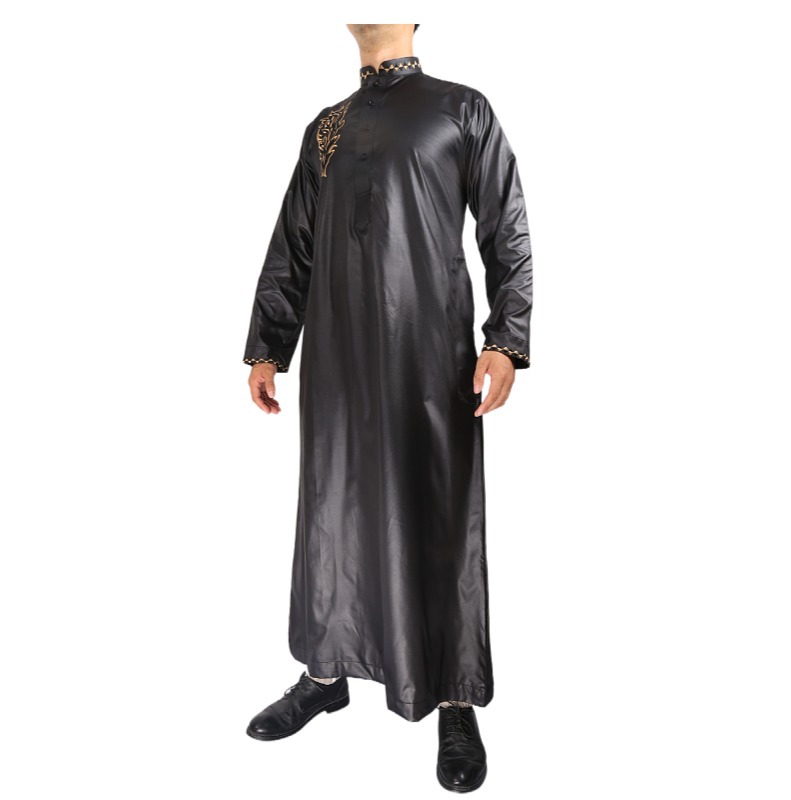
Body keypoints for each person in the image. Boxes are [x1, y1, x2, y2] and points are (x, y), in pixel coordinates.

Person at [241, 23, 532, 793]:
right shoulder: (327, 127)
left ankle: (455, 698)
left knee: (436, 513)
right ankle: (325, 671)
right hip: (338, 357)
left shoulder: (461, 109)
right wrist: (268, 345)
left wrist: (506, 338)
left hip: (429, 358)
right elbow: (295, 243)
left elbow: (505, 224)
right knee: (331, 508)